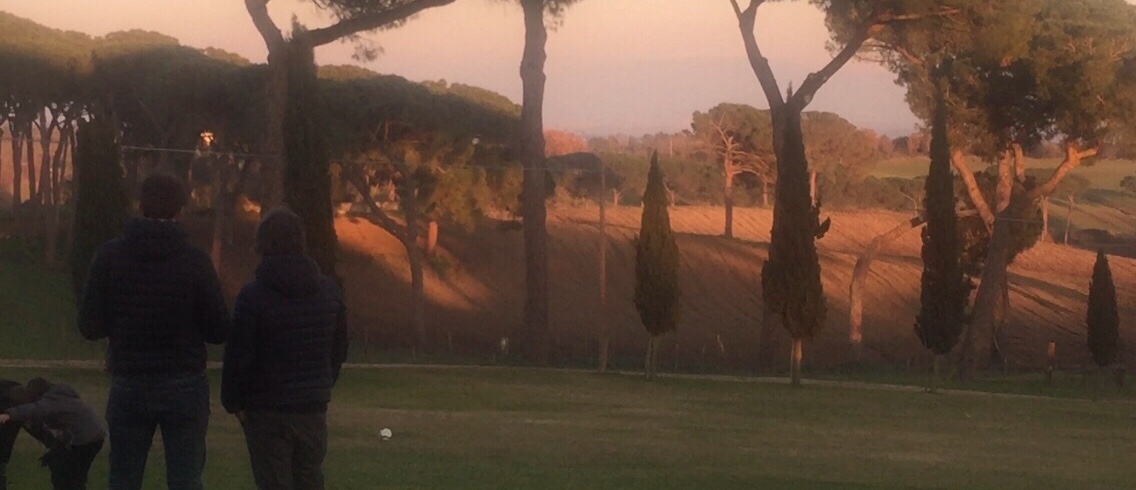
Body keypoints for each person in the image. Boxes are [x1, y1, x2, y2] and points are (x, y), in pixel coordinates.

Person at [78, 173, 230, 490]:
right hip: (184, 381)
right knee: (186, 479)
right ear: (180, 209)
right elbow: (218, 330)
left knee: (123, 478)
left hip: (130, 379)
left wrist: (122, 324)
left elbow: (89, 326)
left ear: (140, 205)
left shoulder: (109, 256)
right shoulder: (195, 261)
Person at [222, 207, 348, 490]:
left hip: (266, 408)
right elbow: (339, 348)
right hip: (312, 407)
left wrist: (234, 402)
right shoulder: (330, 292)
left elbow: (239, 356)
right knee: (310, 479)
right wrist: (321, 384)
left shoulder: (253, 296)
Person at [0, 378, 106, 490]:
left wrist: (9, 414)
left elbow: (35, 409)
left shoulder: (52, 401)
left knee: (68, 474)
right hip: (91, 438)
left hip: (83, 440)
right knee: (71, 472)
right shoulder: (63, 397)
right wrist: (54, 447)